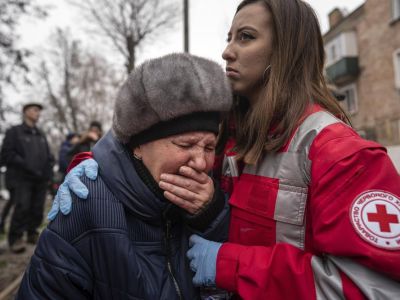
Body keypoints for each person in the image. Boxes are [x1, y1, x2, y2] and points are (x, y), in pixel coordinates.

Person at [48, 0, 400, 298]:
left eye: (245, 37)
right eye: (229, 37)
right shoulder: (227, 126)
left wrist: (228, 265)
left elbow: (373, 288)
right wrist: (94, 166)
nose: (227, 50)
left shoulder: (344, 156)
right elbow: (147, 133)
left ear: (287, 50)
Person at [17, 53, 232, 299]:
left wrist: (211, 218)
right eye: (185, 145)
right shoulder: (86, 203)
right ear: (138, 146)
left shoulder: (215, 199)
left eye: (209, 147)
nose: (202, 162)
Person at [0, 102, 54, 253]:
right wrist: (26, 165)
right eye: (35, 110)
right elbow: (7, 154)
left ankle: (32, 233)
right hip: (21, 178)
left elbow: (48, 156)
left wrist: (48, 171)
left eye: (39, 110)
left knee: (37, 208)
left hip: (40, 179)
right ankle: (15, 238)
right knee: (22, 207)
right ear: (26, 112)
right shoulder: (14, 132)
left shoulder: (41, 134)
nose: (38, 113)